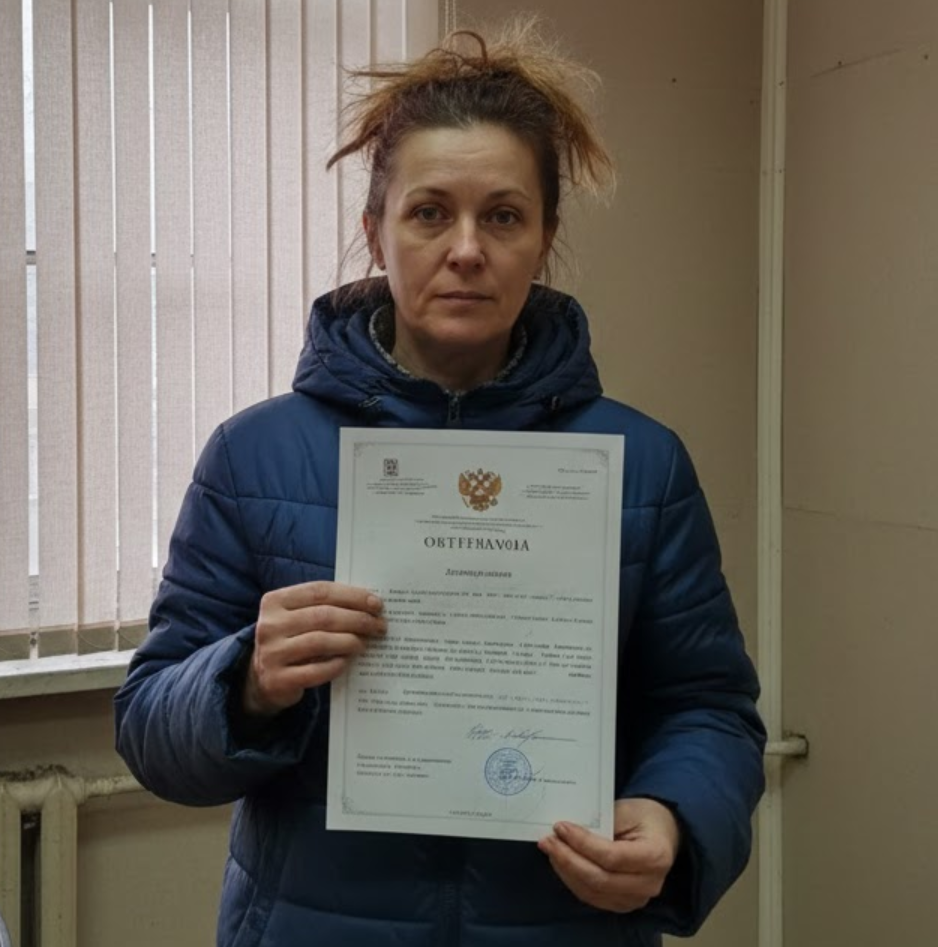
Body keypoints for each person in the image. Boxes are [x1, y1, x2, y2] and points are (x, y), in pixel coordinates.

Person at [114, 20, 765, 947]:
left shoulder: (641, 464)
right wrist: (246, 680)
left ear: (544, 239)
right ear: (375, 235)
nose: (466, 248)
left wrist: (672, 817)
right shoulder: (254, 456)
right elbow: (149, 727)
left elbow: (709, 708)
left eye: (502, 216)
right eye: (429, 213)